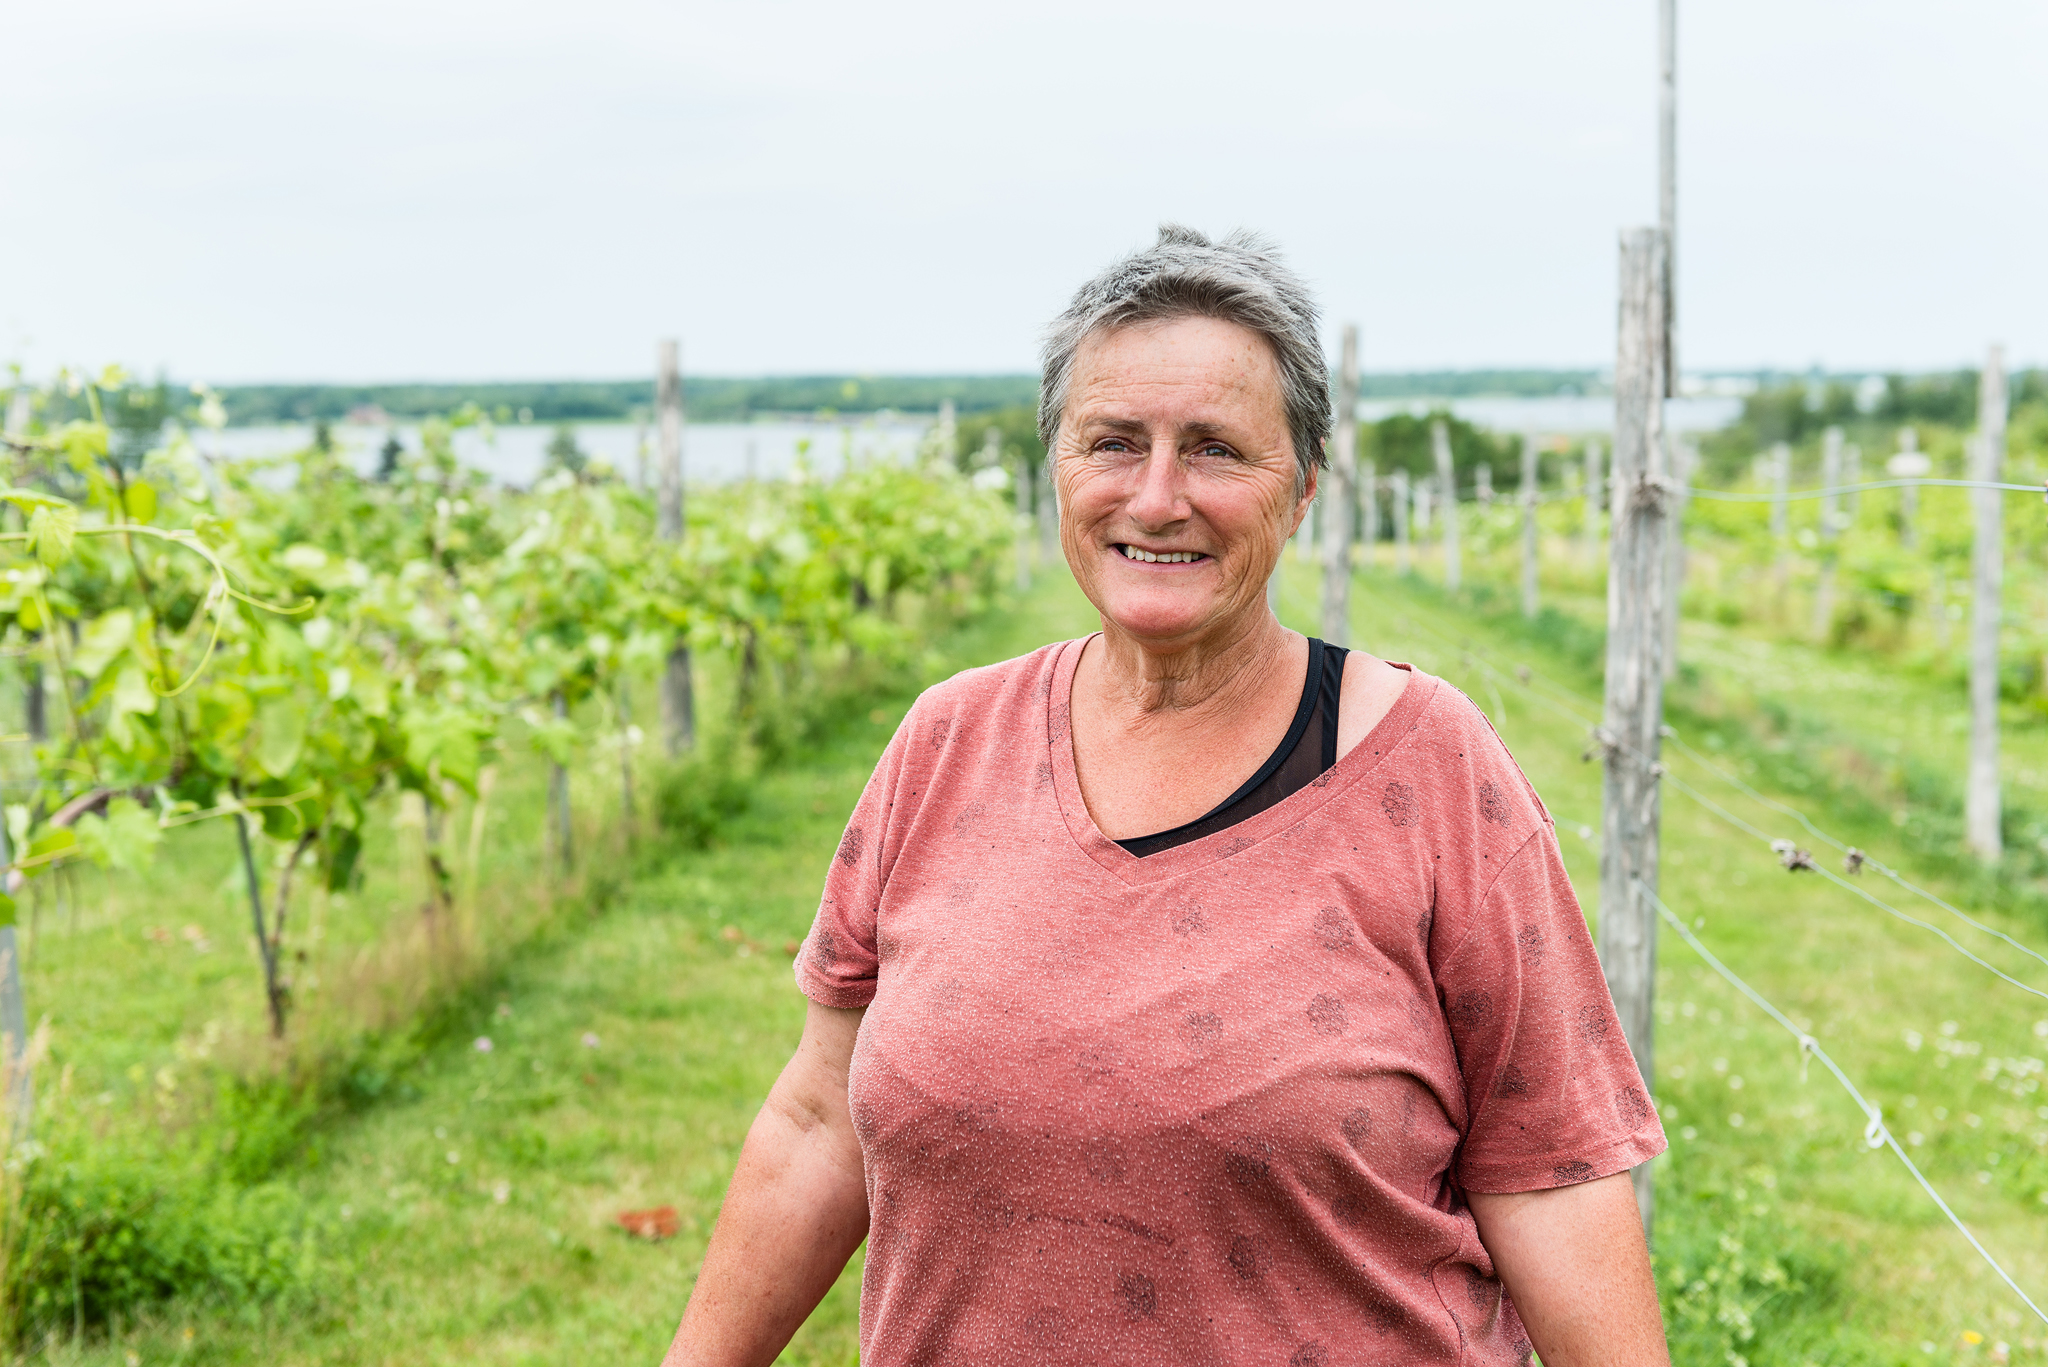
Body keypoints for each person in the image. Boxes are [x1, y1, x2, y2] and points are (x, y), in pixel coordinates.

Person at [662, 225, 1669, 1367]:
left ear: (1300, 490)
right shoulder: (946, 740)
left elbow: (1552, 1174)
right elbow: (816, 1118)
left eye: (1213, 450)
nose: (1155, 495)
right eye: (1111, 442)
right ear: (1055, 468)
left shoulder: (1429, 768)